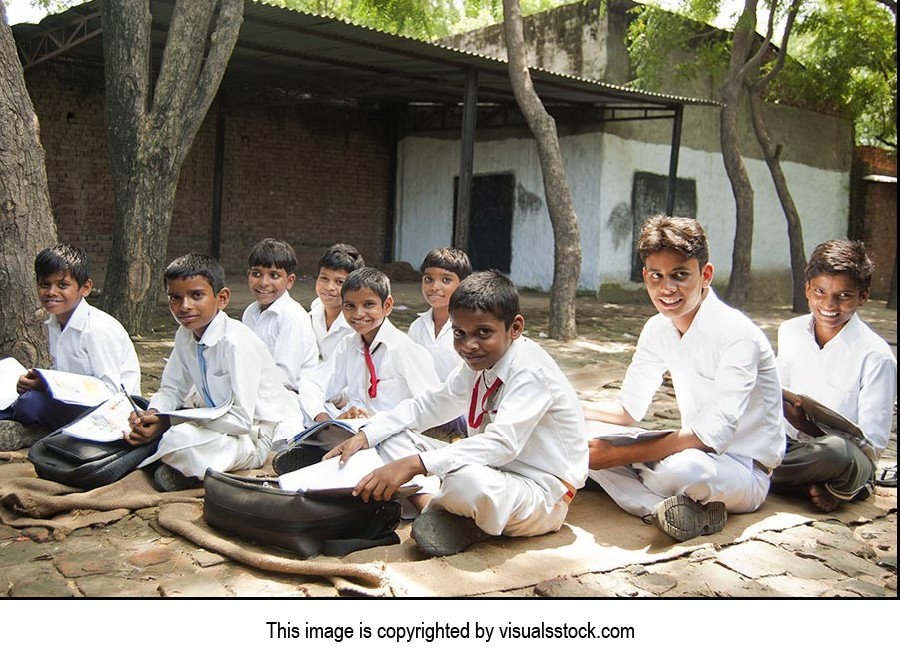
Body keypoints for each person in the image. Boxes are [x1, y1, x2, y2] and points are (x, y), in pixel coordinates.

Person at [320, 270, 589, 557]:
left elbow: (502, 444)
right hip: (492, 469)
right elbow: (430, 404)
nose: (468, 345)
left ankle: (443, 511)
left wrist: (415, 464)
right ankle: (438, 513)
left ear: (515, 327)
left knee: (468, 482)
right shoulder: (477, 363)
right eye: (459, 333)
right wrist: (366, 434)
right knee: (387, 436)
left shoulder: (530, 370)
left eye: (483, 333)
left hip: (539, 491)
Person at [586, 216, 784, 542]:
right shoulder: (657, 328)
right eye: (656, 276)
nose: (667, 289)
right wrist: (571, 409)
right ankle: (672, 510)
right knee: (579, 441)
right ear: (644, 277)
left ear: (705, 274)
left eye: (679, 275)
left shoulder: (737, 333)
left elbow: (712, 434)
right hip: (684, 449)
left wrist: (618, 455)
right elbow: (627, 410)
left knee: (685, 471)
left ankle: (650, 493)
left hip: (740, 469)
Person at [126, 254, 304, 491]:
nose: (185, 306)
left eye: (196, 295)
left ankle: (179, 466)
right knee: (151, 431)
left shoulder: (236, 343)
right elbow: (171, 388)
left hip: (253, 437)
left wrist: (168, 422)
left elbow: (241, 421)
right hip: (212, 425)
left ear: (222, 298)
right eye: (175, 298)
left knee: (178, 439)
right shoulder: (185, 333)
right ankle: (182, 467)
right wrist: (154, 413)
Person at [771, 240, 896, 512]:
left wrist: (811, 428)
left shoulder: (876, 356)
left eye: (843, 296)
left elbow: (871, 447)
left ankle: (757, 472)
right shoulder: (790, 331)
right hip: (790, 447)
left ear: (863, 297)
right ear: (807, 289)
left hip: (841, 457)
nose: (829, 304)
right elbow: (776, 392)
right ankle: (807, 483)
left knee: (835, 452)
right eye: (820, 291)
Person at [0, 244, 140, 451]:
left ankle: (42, 431)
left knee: (29, 403)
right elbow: (64, 374)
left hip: (109, 410)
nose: (51, 292)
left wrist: (48, 386)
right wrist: (41, 382)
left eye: (62, 285)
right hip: (72, 400)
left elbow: (112, 391)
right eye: (44, 284)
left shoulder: (97, 330)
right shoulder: (55, 324)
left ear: (85, 288)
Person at [301, 267, 439, 423]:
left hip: (391, 432)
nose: (358, 314)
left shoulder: (403, 349)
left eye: (368, 304)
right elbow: (314, 385)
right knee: (297, 407)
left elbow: (431, 405)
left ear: (387, 306)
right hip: (352, 426)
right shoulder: (348, 345)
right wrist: (324, 421)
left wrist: (375, 423)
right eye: (349, 306)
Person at [241, 238, 317, 393]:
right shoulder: (250, 312)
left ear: (289, 281)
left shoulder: (293, 317)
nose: (263, 282)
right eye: (256, 274)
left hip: (291, 397)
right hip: (257, 390)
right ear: (248, 275)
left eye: (274, 276)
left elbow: (284, 377)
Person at [407, 247, 472, 381]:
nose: (434, 287)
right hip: (421, 400)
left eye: (446, 280)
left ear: (463, 284)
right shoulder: (417, 327)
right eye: (428, 279)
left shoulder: (470, 329)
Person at [309, 243, 364, 362]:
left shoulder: (359, 323)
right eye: (324, 278)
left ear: (355, 287)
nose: (329, 287)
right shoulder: (316, 308)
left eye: (339, 282)